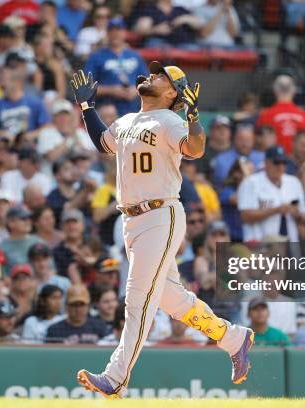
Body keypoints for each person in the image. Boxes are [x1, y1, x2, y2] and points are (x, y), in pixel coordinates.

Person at [70, 61, 255, 398]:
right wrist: (86, 106)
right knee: (172, 299)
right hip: (131, 220)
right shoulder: (127, 120)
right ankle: (233, 338)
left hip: (160, 214)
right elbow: (103, 143)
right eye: (154, 72)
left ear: (173, 92)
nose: (151, 75)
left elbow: (196, 149)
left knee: (137, 299)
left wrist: (195, 118)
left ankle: (115, 378)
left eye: (161, 75)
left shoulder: (171, 120)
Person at [238, 145, 305, 243]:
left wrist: (297, 214)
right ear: (266, 163)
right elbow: (245, 216)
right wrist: (276, 210)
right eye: (276, 162)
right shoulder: (251, 182)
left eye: (284, 163)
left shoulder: (294, 182)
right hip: (260, 244)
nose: (281, 167)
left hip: (290, 243)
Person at [84, 17, 148, 116]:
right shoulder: (96, 56)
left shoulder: (134, 55)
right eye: (112, 31)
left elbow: (147, 83)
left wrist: (135, 90)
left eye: (118, 30)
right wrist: (111, 90)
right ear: (107, 33)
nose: (115, 34)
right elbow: (86, 88)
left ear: (124, 32)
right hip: (107, 109)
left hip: (134, 108)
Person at [255, 75, 305, 154]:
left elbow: (259, 144)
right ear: (293, 90)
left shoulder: (266, 116)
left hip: (275, 162)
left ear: (275, 90)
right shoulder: (304, 116)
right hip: (298, 161)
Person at [46, 284, 110, 344]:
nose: (78, 309)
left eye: (82, 305)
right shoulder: (55, 330)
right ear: (66, 306)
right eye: (74, 305)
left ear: (88, 306)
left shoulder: (100, 327)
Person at [0, 205, 42, 276]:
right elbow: (2, 276)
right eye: (23, 219)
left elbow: (51, 269)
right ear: (10, 223)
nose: (28, 222)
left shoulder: (39, 242)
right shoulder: (1, 247)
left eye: (29, 219)